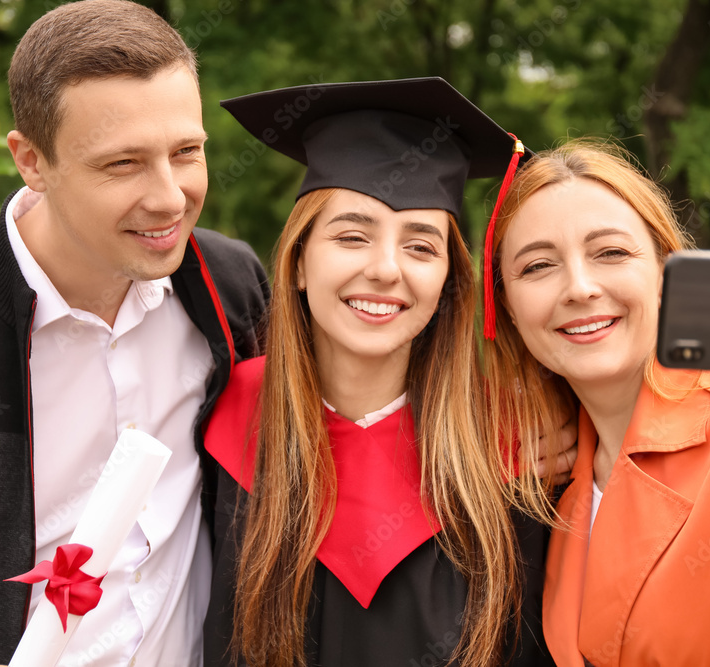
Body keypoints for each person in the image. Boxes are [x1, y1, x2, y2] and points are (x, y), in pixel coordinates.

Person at [0, 2, 268, 666]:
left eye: (186, 151)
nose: (171, 197)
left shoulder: (231, 290)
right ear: (31, 160)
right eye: (123, 164)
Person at [201, 77, 570, 667]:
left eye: (421, 247)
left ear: (449, 280)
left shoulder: (514, 450)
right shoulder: (223, 423)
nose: (384, 269)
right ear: (298, 261)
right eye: (352, 236)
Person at [482, 140, 710, 666]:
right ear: (507, 307)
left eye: (612, 253)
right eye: (536, 267)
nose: (579, 287)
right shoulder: (544, 474)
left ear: (666, 272)